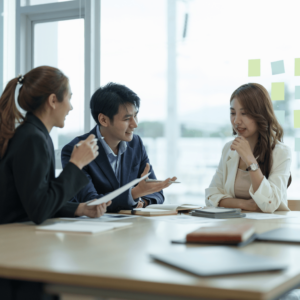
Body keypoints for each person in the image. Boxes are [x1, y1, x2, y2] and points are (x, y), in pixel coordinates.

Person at [0, 66, 111, 225]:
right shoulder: (32, 138)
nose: (70, 107)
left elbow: (41, 199)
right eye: (69, 98)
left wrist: (80, 209)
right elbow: (39, 210)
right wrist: (76, 164)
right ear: (53, 101)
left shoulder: (36, 134)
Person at [61, 82, 177, 211]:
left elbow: (156, 193)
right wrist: (134, 194)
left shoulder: (136, 143)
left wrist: (142, 202)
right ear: (104, 120)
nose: (135, 124)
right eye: (127, 119)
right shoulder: (77, 150)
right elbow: (91, 203)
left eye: (135, 116)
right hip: (93, 228)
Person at [205, 83, 292, 213]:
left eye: (244, 113)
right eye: (233, 113)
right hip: (234, 225)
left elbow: (270, 204)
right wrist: (246, 204)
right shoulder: (229, 148)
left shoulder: (281, 152)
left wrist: (249, 159)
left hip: (270, 227)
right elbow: (210, 196)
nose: (236, 121)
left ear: (261, 114)